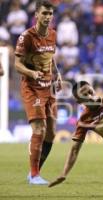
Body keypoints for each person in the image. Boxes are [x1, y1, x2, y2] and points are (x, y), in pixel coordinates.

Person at [14, 0, 61, 185]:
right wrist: (31, 72)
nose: (48, 17)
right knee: (39, 129)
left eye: (50, 14)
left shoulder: (53, 35)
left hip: (48, 88)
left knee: (51, 133)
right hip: (32, 88)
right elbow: (17, 64)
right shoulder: (26, 37)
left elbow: (51, 58)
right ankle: (34, 175)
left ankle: (35, 172)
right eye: (44, 14)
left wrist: (57, 74)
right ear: (36, 15)